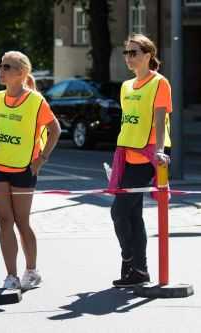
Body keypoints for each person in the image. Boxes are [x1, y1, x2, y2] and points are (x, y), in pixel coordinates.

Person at [0, 51, 61, 290]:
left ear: (21, 73)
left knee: (22, 222)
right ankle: (11, 275)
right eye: (0, 66)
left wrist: (41, 159)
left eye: (7, 67)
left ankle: (32, 271)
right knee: (4, 220)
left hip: (24, 169)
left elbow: (55, 130)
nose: (0, 71)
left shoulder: (35, 101)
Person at [109, 34, 171, 288]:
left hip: (147, 156)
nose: (129, 57)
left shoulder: (159, 83)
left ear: (148, 55)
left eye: (134, 52)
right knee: (132, 214)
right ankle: (139, 270)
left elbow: (159, 119)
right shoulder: (125, 86)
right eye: (126, 53)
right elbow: (128, 121)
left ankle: (129, 258)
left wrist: (158, 151)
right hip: (127, 153)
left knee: (118, 211)